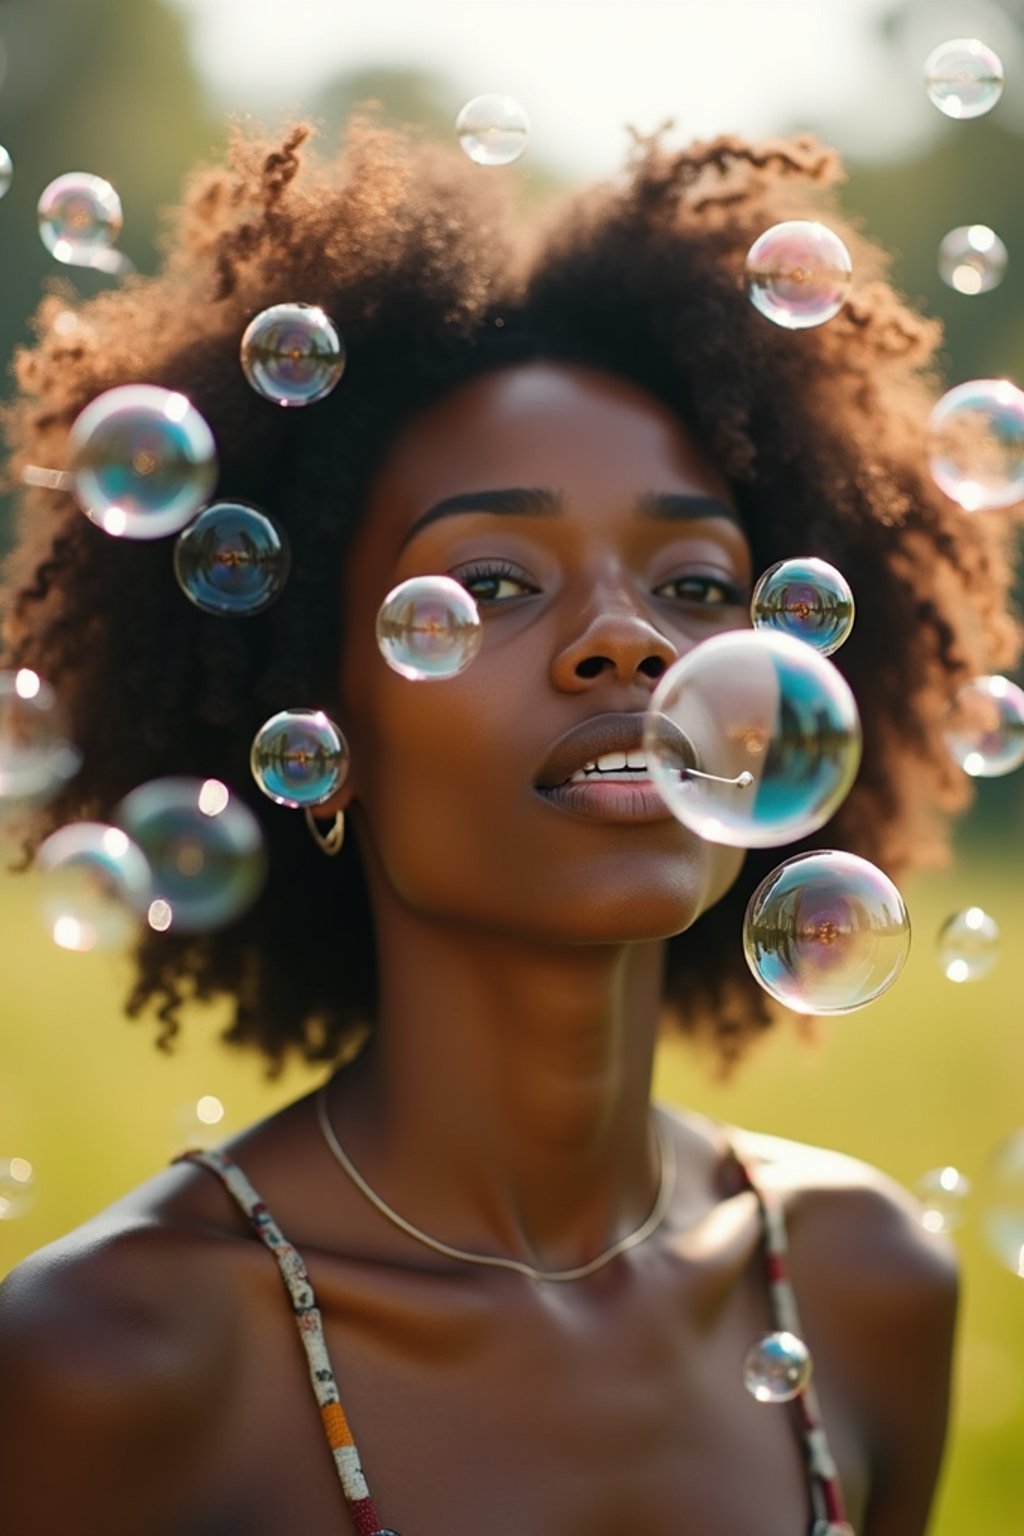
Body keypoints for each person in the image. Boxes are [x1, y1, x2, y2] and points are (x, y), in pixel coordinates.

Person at [0, 112, 1018, 1536]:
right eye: (485, 585)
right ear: (314, 715)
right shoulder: (110, 1363)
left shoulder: (865, 1286)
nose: (627, 645)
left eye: (698, 588)